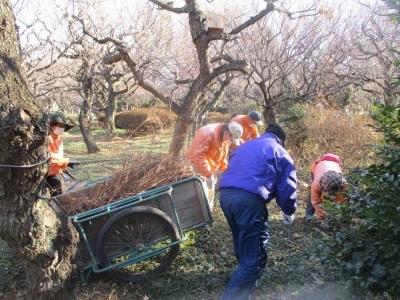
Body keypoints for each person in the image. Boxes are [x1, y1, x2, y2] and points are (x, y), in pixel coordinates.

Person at [218, 123, 297, 300]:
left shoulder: (245, 145)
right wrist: (289, 210)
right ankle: (234, 293)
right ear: (280, 140)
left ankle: (249, 278)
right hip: (248, 200)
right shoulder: (279, 151)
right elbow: (287, 188)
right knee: (251, 258)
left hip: (225, 195)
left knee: (243, 237)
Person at [185, 122, 243, 211]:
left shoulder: (224, 135)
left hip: (210, 166)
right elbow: (198, 155)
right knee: (202, 193)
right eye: (231, 139)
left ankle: (209, 214)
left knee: (210, 191)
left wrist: (225, 168)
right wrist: (208, 174)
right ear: (227, 133)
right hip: (196, 165)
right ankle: (202, 217)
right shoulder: (208, 133)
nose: (231, 142)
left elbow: (222, 152)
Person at [305, 153, 347, 223]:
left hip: (332, 168)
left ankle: (331, 216)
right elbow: (316, 201)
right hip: (317, 167)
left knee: (337, 197)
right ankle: (308, 216)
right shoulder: (316, 183)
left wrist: (339, 217)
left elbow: (342, 201)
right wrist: (323, 218)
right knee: (313, 194)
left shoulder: (343, 183)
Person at [46, 113, 79, 197]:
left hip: (54, 172)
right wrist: (66, 162)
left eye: (62, 126)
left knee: (57, 196)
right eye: (59, 125)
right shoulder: (47, 138)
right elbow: (48, 156)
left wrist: (62, 165)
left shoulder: (59, 138)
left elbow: (58, 155)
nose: (61, 127)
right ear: (51, 126)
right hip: (43, 172)